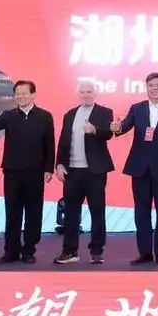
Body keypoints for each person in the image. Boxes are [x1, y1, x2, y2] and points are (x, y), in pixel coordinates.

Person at [0, 80, 55, 264]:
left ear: (33, 95)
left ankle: (29, 251)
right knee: (12, 212)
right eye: (18, 93)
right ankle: (11, 251)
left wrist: (49, 168)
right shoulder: (9, 115)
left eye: (24, 93)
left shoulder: (44, 116)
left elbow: (50, 143)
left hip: (35, 171)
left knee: (33, 212)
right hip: (12, 171)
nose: (21, 96)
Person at [114, 71, 158, 266]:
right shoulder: (137, 108)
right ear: (146, 87)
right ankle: (144, 252)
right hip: (140, 168)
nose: (155, 89)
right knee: (141, 212)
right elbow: (125, 126)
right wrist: (117, 128)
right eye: (151, 85)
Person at [53, 81, 115, 266]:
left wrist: (95, 130)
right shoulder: (70, 114)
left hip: (95, 171)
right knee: (71, 213)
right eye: (83, 92)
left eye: (89, 91)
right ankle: (69, 251)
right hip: (72, 171)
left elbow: (108, 133)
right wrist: (59, 164)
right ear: (78, 94)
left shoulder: (105, 112)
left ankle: (97, 251)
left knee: (97, 211)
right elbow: (63, 141)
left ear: (95, 94)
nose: (86, 94)